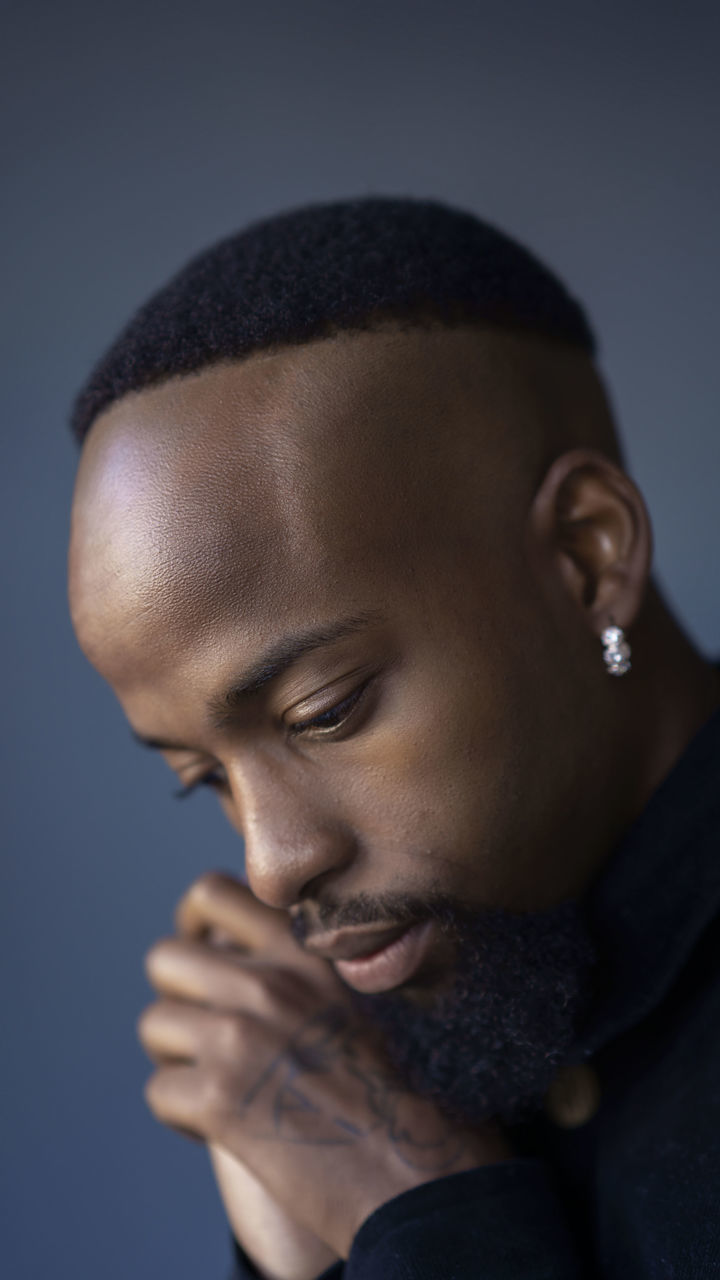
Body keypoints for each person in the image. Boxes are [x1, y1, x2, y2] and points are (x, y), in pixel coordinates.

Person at [66, 198, 720, 1280]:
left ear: (590, 557)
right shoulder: (359, 1054)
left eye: (326, 711)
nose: (272, 867)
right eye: (203, 778)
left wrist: (415, 1211)